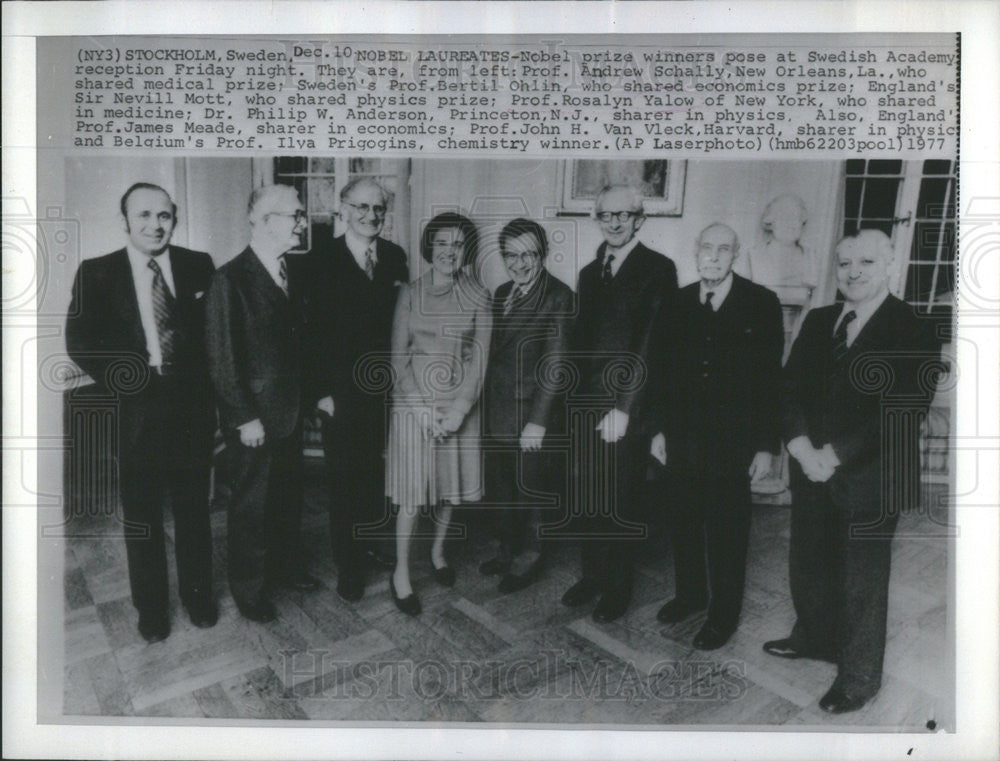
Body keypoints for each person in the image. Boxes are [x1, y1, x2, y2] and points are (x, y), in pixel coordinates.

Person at [763, 229, 939, 713]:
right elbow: (787, 388)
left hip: (871, 472)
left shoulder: (913, 327)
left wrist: (832, 455)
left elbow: (902, 408)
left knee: (863, 580)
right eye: (844, 263)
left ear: (888, 266)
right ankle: (815, 637)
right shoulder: (820, 321)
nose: (853, 272)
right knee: (811, 561)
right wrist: (799, 446)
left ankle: (860, 679)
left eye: (865, 262)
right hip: (810, 463)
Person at [66, 183, 217, 642]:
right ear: (125, 221)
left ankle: (197, 597)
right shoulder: (97, 272)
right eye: (145, 215)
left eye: (165, 216)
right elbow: (80, 343)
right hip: (137, 412)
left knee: (194, 512)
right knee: (143, 518)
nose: (156, 225)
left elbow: (213, 338)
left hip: (190, 409)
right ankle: (151, 608)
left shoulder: (198, 265)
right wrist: (131, 382)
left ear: (175, 219)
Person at [649, 223, 784, 650]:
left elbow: (770, 381)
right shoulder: (676, 303)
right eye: (706, 248)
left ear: (735, 255)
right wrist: (657, 430)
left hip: (733, 444)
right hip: (683, 439)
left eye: (723, 250)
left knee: (727, 532)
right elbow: (661, 375)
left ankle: (723, 615)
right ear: (696, 252)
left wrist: (766, 445)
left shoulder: (761, 304)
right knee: (684, 523)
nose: (713, 256)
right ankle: (690, 597)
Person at [561, 185, 677, 623]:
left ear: (639, 220)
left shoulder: (658, 269)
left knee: (620, 500)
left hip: (625, 408)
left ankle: (617, 587)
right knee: (589, 494)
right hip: (586, 406)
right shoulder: (591, 273)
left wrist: (625, 409)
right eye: (606, 215)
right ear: (597, 218)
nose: (614, 222)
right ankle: (592, 575)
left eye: (623, 215)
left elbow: (650, 346)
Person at [204, 184, 319, 624]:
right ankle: (249, 589)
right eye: (295, 215)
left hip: (288, 412)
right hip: (254, 418)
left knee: (287, 497)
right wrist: (243, 417)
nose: (302, 222)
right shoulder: (229, 279)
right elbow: (221, 358)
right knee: (251, 506)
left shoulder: (291, 271)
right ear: (266, 222)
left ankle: (286, 568)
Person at [304, 178, 409, 602]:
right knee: (344, 480)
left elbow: (400, 325)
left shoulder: (394, 256)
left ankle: (366, 546)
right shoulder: (318, 258)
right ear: (342, 209)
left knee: (371, 475)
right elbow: (306, 333)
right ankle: (348, 566)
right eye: (362, 208)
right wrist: (319, 393)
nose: (371, 216)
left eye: (378, 209)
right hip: (339, 392)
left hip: (383, 389)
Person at [385, 212, 492, 615]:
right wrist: (420, 409)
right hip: (414, 406)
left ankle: (438, 553)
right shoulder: (410, 293)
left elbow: (480, 360)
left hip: (460, 406)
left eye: (458, 244)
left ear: (467, 250)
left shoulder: (480, 294)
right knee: (412, 495)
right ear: (431, 248)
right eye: (442, 243)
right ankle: (401, 574)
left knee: (450, 489)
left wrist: (459, 410)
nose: (450, 251)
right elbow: (397, 360)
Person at [480, 218, 575, 593]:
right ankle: (507, 549)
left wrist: (538, 422)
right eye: (510, 256)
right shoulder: (502, 291)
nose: (519, 264)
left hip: (531, 416)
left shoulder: (559, 295)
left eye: (528, 255)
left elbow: (557, 364)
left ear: (543, 255)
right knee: (503, 488)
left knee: (532, 489)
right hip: (497, 410)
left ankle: (530, 557)